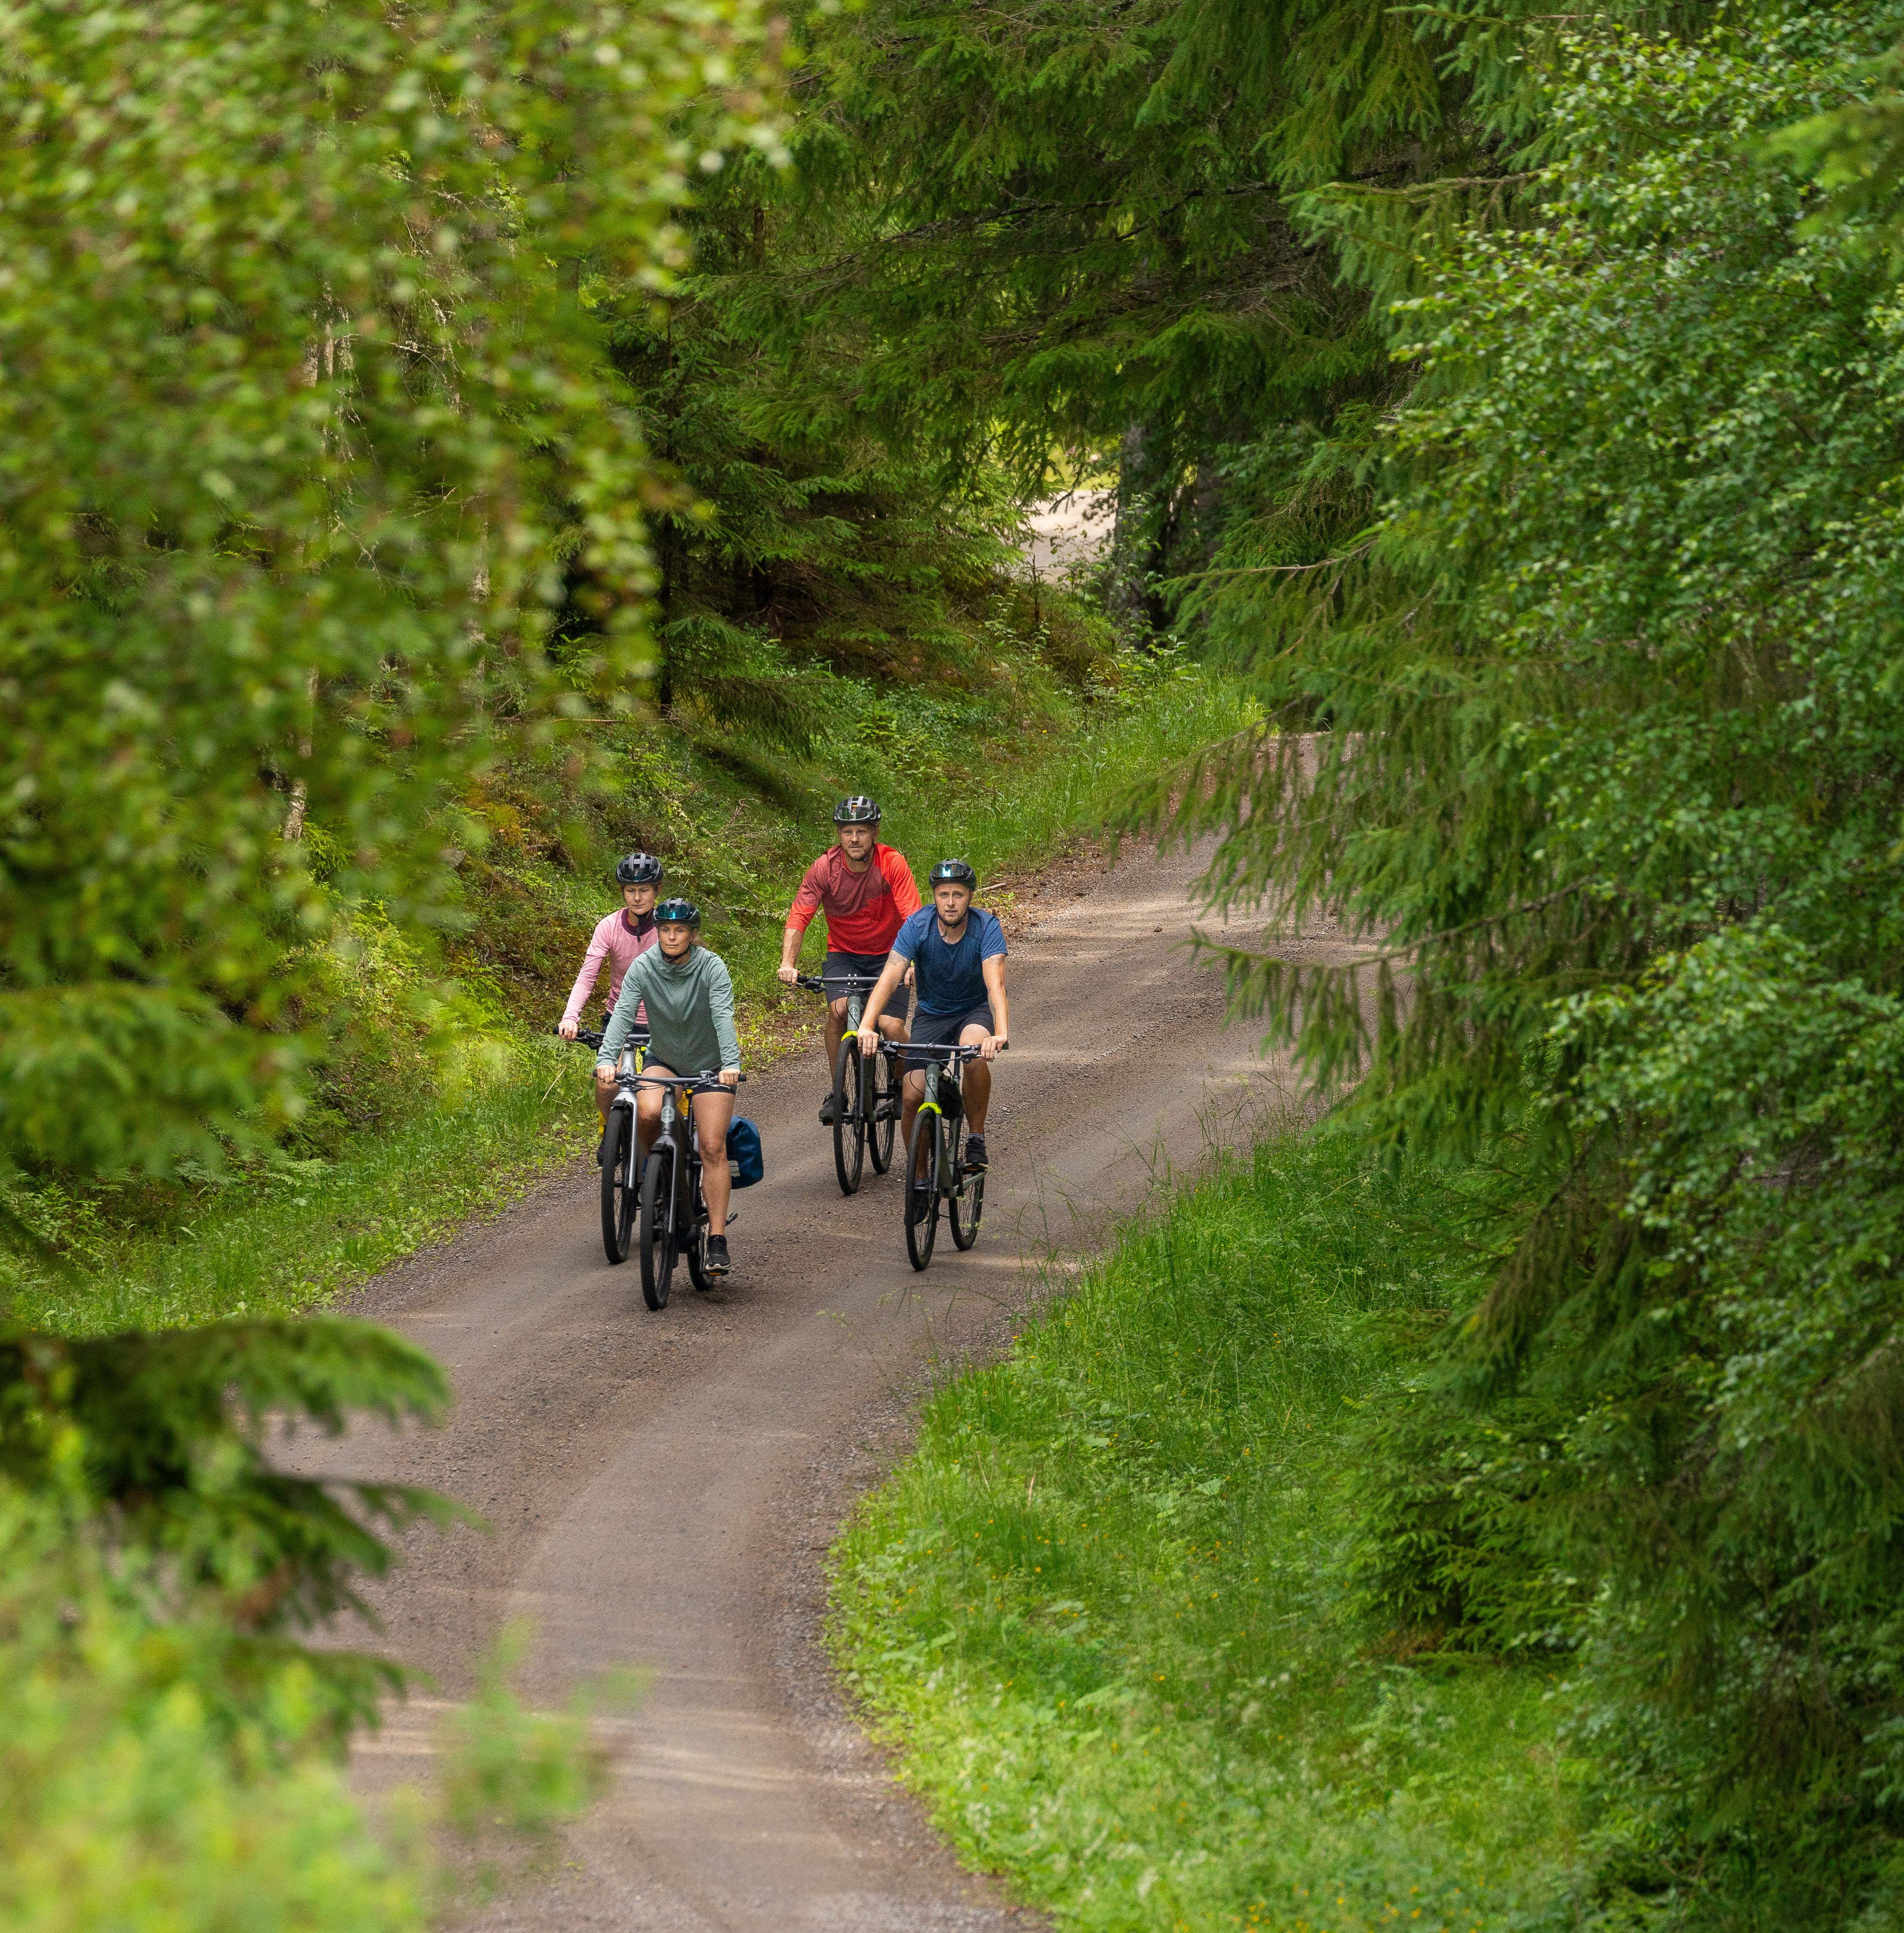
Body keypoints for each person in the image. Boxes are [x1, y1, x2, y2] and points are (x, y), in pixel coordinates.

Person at [597, 898, 742, 1278]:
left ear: (693, 935)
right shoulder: (644, 967)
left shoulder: (711, 967)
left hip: (710, 1066)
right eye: (665, 930)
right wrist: (606, 1060)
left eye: (680, 931)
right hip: (665, 1060)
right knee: (646, 1113)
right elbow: (623, 1014)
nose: (672, 937)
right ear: (657, 932)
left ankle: (718, 1239)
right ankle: (663, 1175)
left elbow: (723, 1016)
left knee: (712, 1145)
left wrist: (730, 1064)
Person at [855, 859, 1008, 1208]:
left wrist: (999, 1032)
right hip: (931, 1016)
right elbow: (891, 976)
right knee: (911, 1097)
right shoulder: (917, 926)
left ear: (970, 897)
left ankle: (975, 1138)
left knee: (972, 1049)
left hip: (973, 1010)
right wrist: (867, 1025)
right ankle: (920, 1178)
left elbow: (995, 983)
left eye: (958, 894)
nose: (951, 902)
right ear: (934, 897)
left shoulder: (987, 927)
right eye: (943, 895)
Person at [776, 796, 921, 1123]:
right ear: (838, 834)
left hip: (891, 955)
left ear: (875, 832)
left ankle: (900, 1083)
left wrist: (914, 963)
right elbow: (800, 916)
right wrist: (788, 963)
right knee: (839, 1011)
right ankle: (838, 1091)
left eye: (861, 831)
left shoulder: (892, 864)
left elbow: (913, 918)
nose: (854, 839)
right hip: (845, 954)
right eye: (847, 832)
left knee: (891, 1026)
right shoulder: (824, 869)